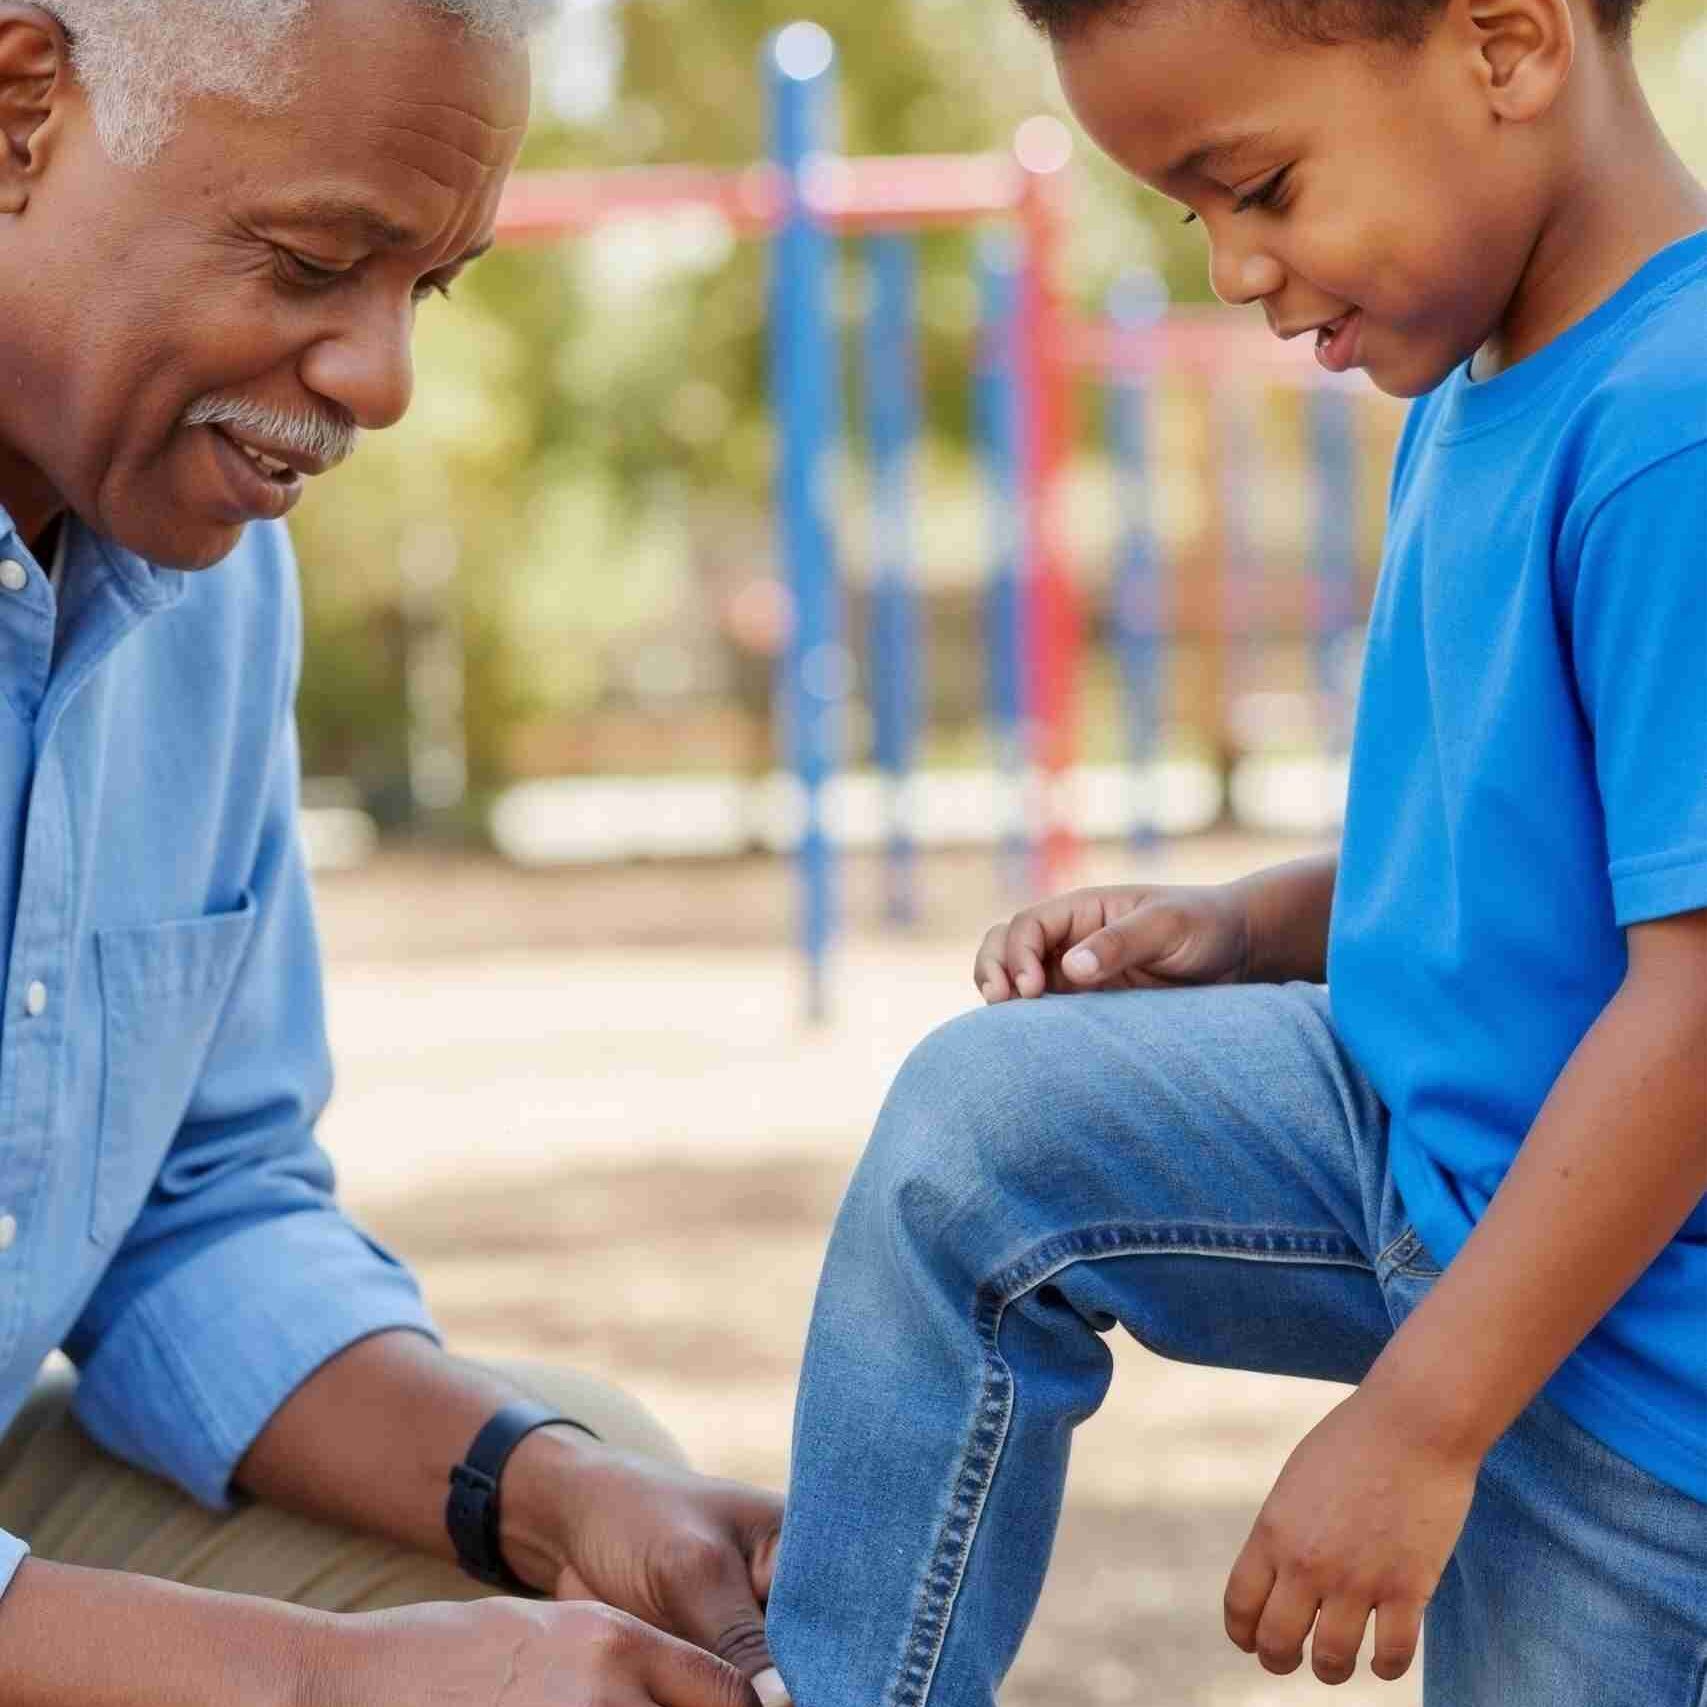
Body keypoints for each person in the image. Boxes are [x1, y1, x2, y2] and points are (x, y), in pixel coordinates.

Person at [763, 0, 1707, 1698]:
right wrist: (1249, 924)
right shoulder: (1479, 375)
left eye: (1259, 186)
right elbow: (1544, 876)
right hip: (1412, 1145)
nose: (1236, 271)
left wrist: (1423, 1421)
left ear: (1506, 46)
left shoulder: (1678, 429)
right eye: (1194, 218)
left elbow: (1702, 1006)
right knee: (977, 1139)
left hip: (1636, 1351)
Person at [0, 5, 784, 1704]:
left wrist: (540, 1492)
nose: (382, 379)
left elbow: (196, 1222)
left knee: (610, 1561)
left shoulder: (203, 581)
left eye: (419, 287)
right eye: (308, 262)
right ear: (19, 115)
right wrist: (322, 1680)